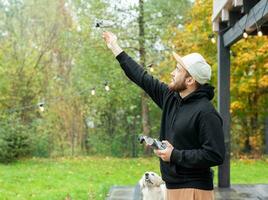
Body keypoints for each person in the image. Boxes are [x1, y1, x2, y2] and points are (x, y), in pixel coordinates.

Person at [103, 31, 225, 200]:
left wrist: (175, 155)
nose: (172, 73)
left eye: (178, 70)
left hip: (194, 190)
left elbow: (215, 154)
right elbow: (141, 77)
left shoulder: (206, 112)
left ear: (190, 80)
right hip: (172, 187)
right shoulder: (171, 98)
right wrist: (115, 47)